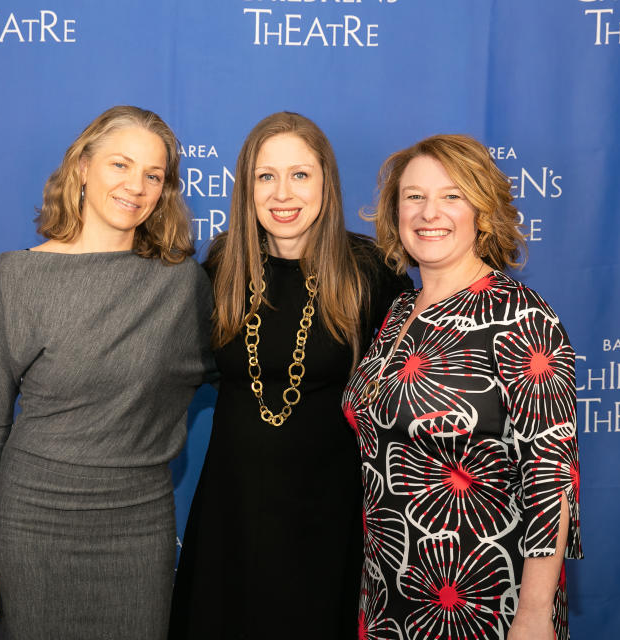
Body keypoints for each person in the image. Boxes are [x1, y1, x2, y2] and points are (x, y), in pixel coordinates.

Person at [0, 105, 215, 640]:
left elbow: (243, 370)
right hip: (31, 524)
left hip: (139, 527)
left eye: (153, 175)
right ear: (82, 168)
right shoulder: (17, 277)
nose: (135, 186)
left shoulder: (180, 285)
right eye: (120, 165)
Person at [168, 112, 411, 639]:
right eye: (265, 176)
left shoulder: (371, 271)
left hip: (330, 518)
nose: (283, 193)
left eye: (300, 174)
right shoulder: (220, 266)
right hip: (231, 514)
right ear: (247, 187)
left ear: (326, 182)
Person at [341, 134, 583, 640]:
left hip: (486, 603)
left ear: (483, 211)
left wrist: (535, 614)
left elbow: (551, 480)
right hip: (392, 594)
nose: (430, 212)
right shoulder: (401, 311)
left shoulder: (521, 317)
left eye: (452, 195)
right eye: (414, 196)